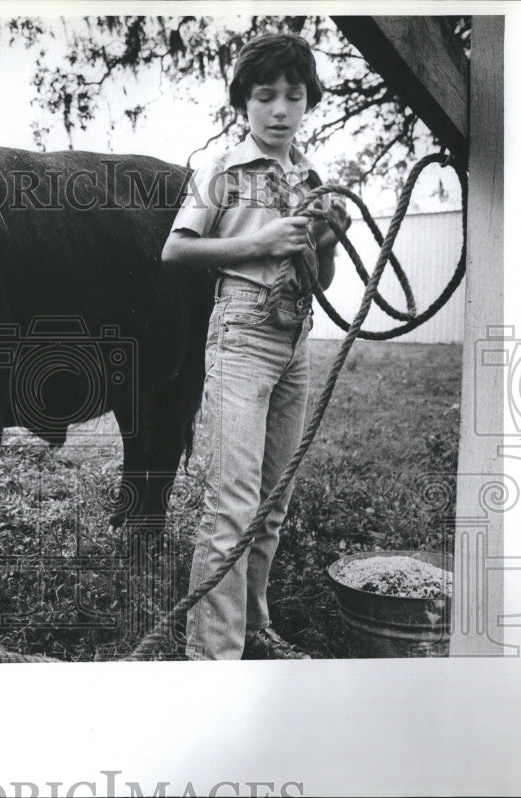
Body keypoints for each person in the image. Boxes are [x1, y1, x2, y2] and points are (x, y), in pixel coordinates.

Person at [162, 33, 351, 660]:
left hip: (294, 339)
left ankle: (255, 624)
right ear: (243, 101)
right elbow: (176, 251)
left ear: (307, 103)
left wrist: (324, 238)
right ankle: (213, 659)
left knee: (272, 504)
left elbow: (320, 282)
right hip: (240, 337)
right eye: (265, 96)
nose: (279, 110)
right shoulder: (220, 169)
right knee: (232, 508)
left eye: (293, 97)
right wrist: (260, 243)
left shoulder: (310, 179)